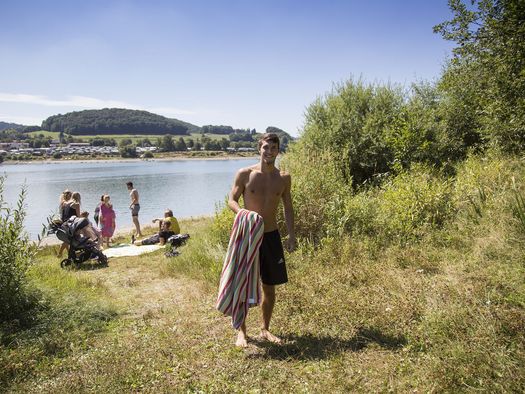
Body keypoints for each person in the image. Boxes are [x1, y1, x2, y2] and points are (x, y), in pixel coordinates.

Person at [224, 132, 296, 347]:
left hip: (271, 236)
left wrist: (291, 235)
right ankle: (242, 332)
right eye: (266, 147)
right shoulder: (245, 174)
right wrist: (245, 214)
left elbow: (288, 207)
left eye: (273, 148)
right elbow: (232, 200)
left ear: (278, 151)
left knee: (269, 287)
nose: (269, 151)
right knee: (243, 284)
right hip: (248, 235)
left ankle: (265, 329)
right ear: (259, 148)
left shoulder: (283, 178)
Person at [57, 191, 81, 257]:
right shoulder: (76, 204)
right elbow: (78, 216)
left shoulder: (66, 203)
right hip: (71, 224)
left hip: (65, 223)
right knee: (71, 239)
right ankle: (68, 253)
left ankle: (64, 253)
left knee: (68, 239)